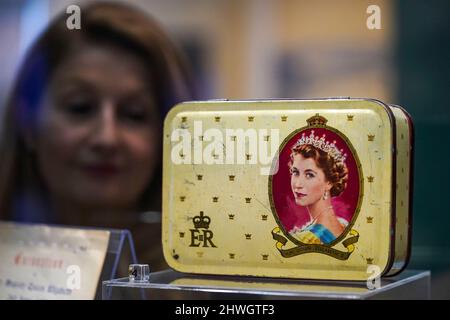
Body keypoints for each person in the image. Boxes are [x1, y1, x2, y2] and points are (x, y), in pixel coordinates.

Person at [0, 2, 196, 271]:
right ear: (28, 121)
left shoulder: (206, 277)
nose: (107, 138)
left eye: (134, 114)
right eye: (80, 107)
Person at [288, 131, 349, 244]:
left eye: (309, 175)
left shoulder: (304, 240)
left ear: (329, 182)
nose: (298, 184)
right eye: (295, 172)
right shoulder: (343, 224)